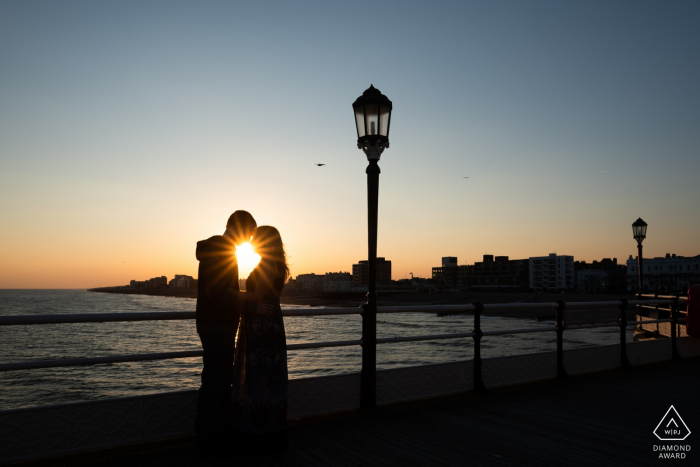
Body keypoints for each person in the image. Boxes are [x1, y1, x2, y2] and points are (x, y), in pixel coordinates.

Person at [194, 210, 256, 457]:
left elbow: (220, 290)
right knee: (215, 382)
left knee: (218, 380)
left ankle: (214, 435)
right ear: (238, 228)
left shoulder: (216, 248)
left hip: (214, 324)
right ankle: (208, 439)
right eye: (249, 234)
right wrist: (246, 304)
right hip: (217, 325)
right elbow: (220, 291)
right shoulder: (221, 249)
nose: (250, 240)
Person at [227, 225, 290, 453]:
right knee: (268, 375)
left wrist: (230, 291)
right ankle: (269, 430)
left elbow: (256, 295)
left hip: (262, 327)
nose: (252, 241)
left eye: (256, 238)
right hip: (268, 324)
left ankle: (257, 431)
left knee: (258, 375)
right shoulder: (275, 263)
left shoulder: (268, 264)